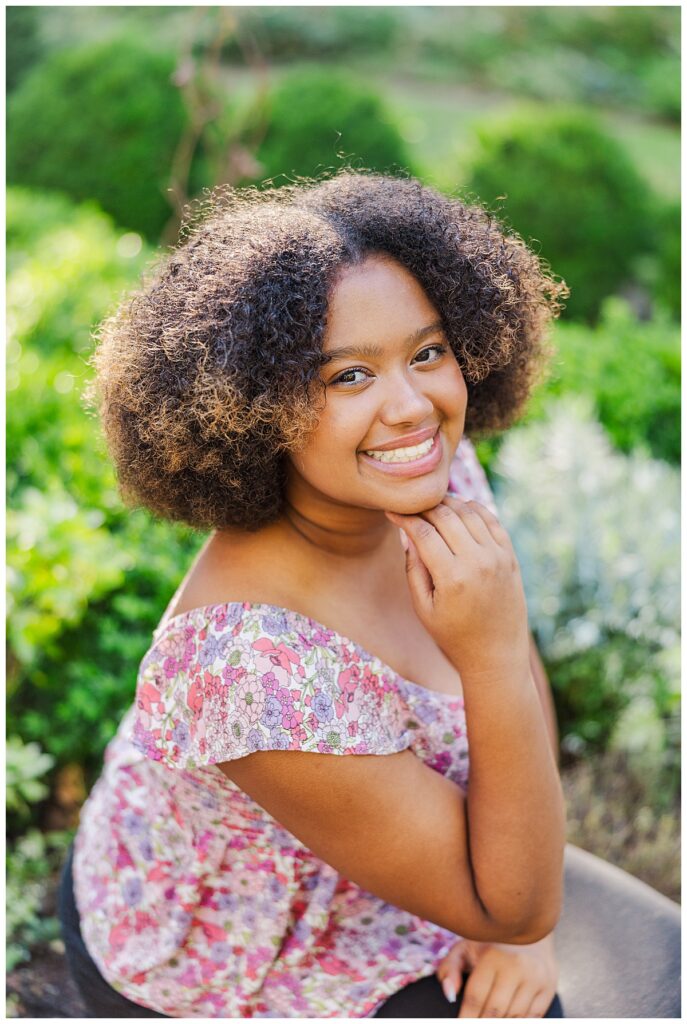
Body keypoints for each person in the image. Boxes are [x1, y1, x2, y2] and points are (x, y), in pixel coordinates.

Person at [59, 171, 568, 1018]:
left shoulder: (424, 476)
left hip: (384, 871)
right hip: (236, 962)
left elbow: (518, 891)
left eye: (428, 352)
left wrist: (520, 916)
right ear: (253, 410)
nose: (410, 407)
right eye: (345, 378)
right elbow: (511, 902)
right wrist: (511, 909)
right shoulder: (247, 666)